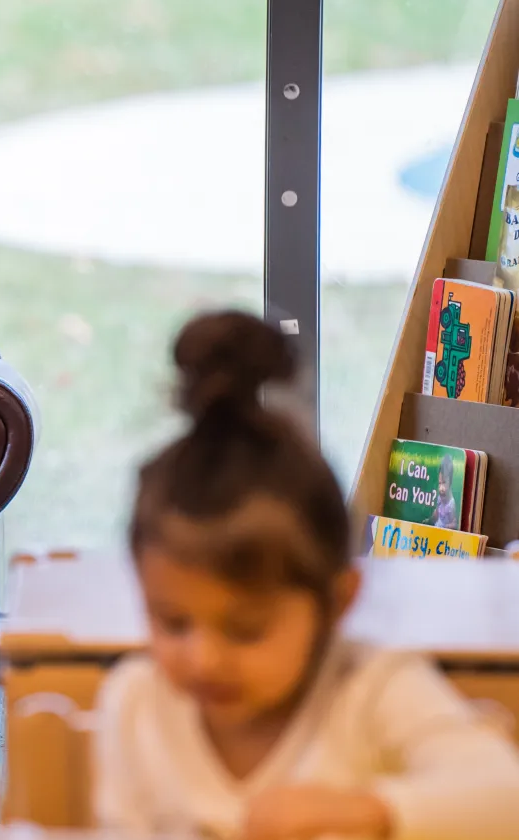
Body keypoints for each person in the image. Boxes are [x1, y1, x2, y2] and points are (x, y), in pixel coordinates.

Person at [93, 310, 519, 838]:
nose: (203, 657)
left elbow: (505, 797)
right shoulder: (137, 704)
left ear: (338, 602)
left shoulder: (370, 689)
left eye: (246, 629)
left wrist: (367, 811)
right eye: (173, 622)